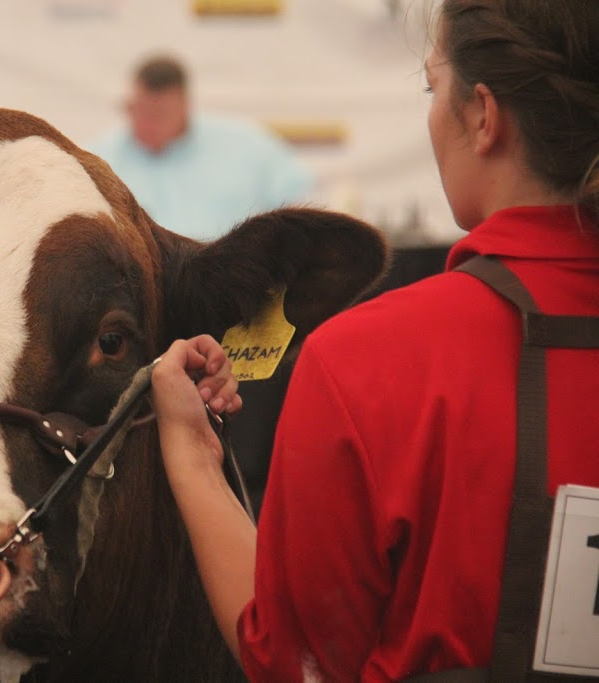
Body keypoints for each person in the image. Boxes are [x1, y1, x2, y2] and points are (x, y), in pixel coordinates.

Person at [150, 1, 599, 680]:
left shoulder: (366, 361)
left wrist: (189, 451)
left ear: (483, 116)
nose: (431, 111)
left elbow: (293, 662)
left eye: (432, 85)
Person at [90, 54, 314, 241]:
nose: (147, 123)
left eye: (160, 114)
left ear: (185, 105)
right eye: (139, 110)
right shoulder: (100, 161)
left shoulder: (247, 147)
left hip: (233, 282)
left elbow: (302, 207)